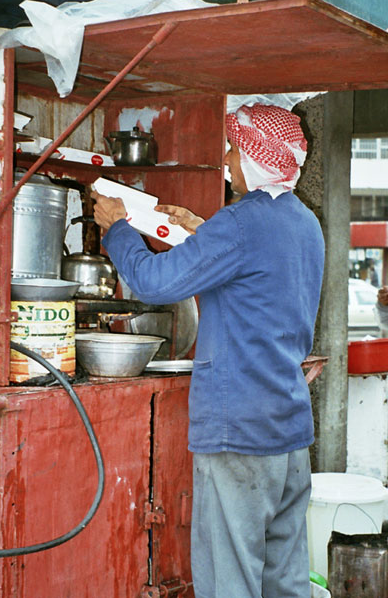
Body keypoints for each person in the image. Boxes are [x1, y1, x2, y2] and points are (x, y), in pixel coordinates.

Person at [91, 103, 325, 598]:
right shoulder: (304, 222)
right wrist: (201, 228)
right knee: (284, 581)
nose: (227, 159)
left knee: (228, 582)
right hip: (288, 431)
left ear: (254, 158)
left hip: (239, 430)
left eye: (234, 149)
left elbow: (153, 282)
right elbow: (256, 268)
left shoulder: (241, 223)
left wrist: (116, 229)